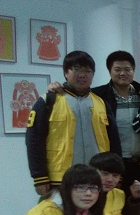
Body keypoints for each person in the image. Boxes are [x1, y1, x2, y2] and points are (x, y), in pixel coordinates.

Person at [26, 51, 120, 195]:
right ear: (66, 72)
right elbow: (34, 141)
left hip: (97, 178)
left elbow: (114, 141)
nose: (82, 75)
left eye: (87, 71)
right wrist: (39, 177)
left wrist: (116, 173)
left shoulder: (101, 103)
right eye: (76, 69)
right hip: (61, 179)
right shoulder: (48, 101)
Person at [46, 51, 140, 189]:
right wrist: (56, 87)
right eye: (117, 69)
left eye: (127, 69)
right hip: (110, 165)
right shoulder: (98, 96)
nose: (123, 73)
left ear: (133, 71)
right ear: (109, 72)